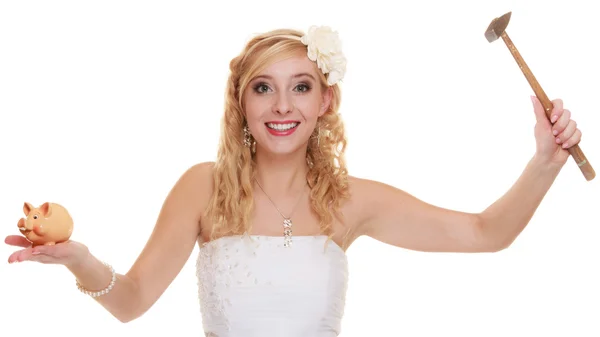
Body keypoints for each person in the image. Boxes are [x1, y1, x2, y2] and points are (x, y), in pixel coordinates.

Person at [6, 25, 583, 336]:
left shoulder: (352, 201)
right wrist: (79, 259)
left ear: (326, 99)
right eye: (264, 87)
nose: (282, 105)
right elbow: (131, 303)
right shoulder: (201, 188)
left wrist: (544, 162)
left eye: (301, 86)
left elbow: (485, 233)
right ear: (241, 100)